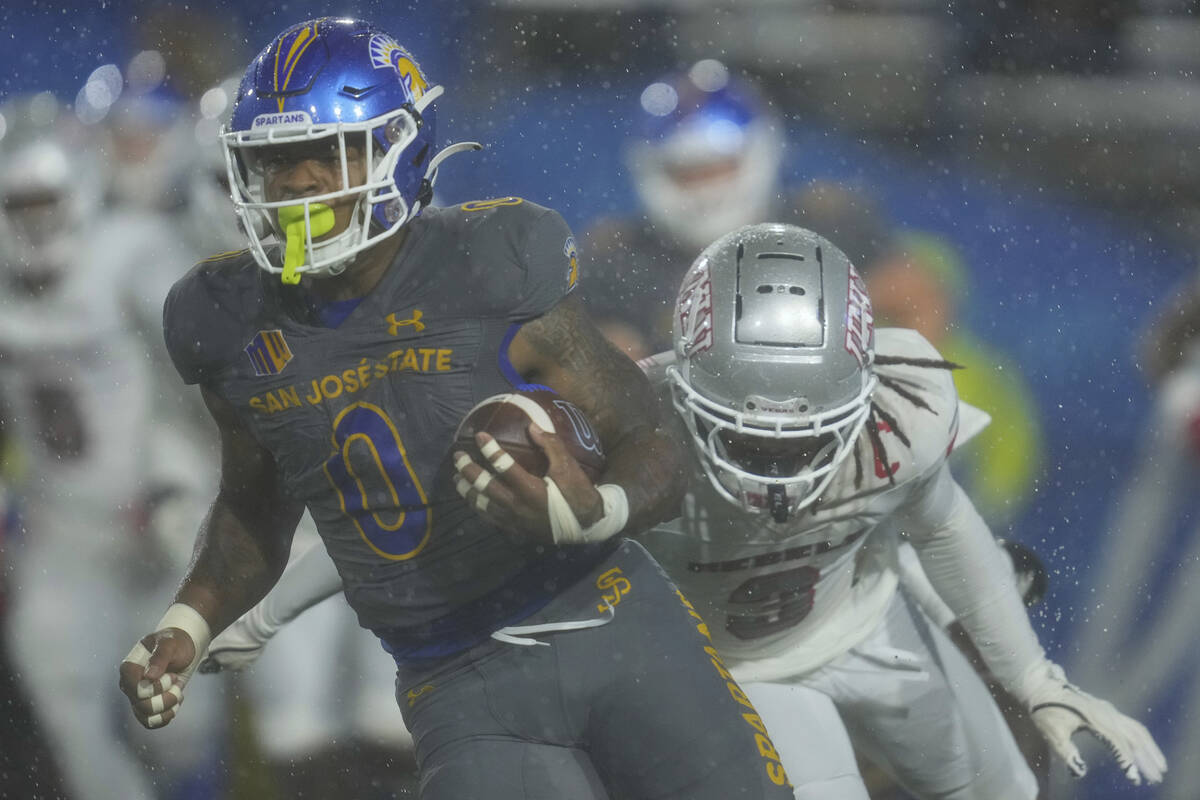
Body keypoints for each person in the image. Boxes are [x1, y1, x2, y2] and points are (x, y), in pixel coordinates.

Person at [118, 18, 794, 800]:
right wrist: (189, 620)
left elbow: (651, 439)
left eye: (324, 154)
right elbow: (253, 506)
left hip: (614, 625)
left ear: (398, 150)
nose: (299, 183)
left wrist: (597, 509)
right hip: (457, 685)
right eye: (274, 163)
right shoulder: (224, 320)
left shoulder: (492, 261)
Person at [628, 223, 1164, 798]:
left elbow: (943, 530)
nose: (778, 469)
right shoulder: (628, 433)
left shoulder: (903, 415)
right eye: (750, 439)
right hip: (742, 668)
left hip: (872, 622)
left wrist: (1033, 677)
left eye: (806, 438)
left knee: (1004, 790)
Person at [0, 94, 227, 800]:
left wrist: (187, 482)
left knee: (181, 725)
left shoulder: (129, 250)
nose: (35, 222)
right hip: (60, 529)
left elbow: (203, 381)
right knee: (61, 694)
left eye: (46, 201)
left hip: (153, 518)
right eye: (20, 205)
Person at [584, 60, 890, 360]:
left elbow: (913, 297)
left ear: (759, 152)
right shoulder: (619, 260)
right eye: (689, 172)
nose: (706, 187)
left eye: (719, 167)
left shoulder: (828, 226)